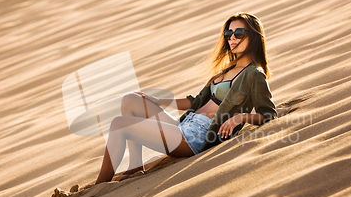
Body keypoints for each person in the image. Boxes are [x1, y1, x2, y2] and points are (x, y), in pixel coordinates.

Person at [95, 12, 277, 184]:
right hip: (184, 126)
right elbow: (196, 101)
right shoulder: (227, 69)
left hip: (197, 137)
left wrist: (241, 117)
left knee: (119, 124)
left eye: (238, 33)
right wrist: (160, 102)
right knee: (130, 100)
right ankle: (135, 165)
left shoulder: (254, 75)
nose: (232, 38)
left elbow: (269, 115)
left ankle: (99, 186)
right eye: (228, 34)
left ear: (253, 36)